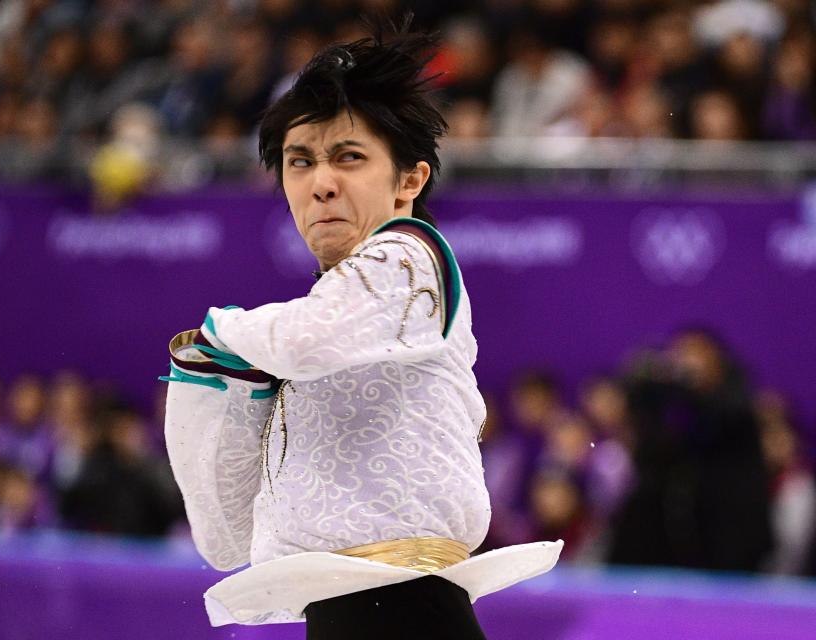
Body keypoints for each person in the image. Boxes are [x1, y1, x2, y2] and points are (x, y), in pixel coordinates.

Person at [161, 18, 562, 639]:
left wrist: (221, 331)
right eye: (300, 162)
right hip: (338, 617)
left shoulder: (408, 255)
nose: (321, 183)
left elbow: (302, 340)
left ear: (410, 179)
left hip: (410, 614)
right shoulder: (317, 325)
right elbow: (226, 536)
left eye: (348, 157)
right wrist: (220, 386)